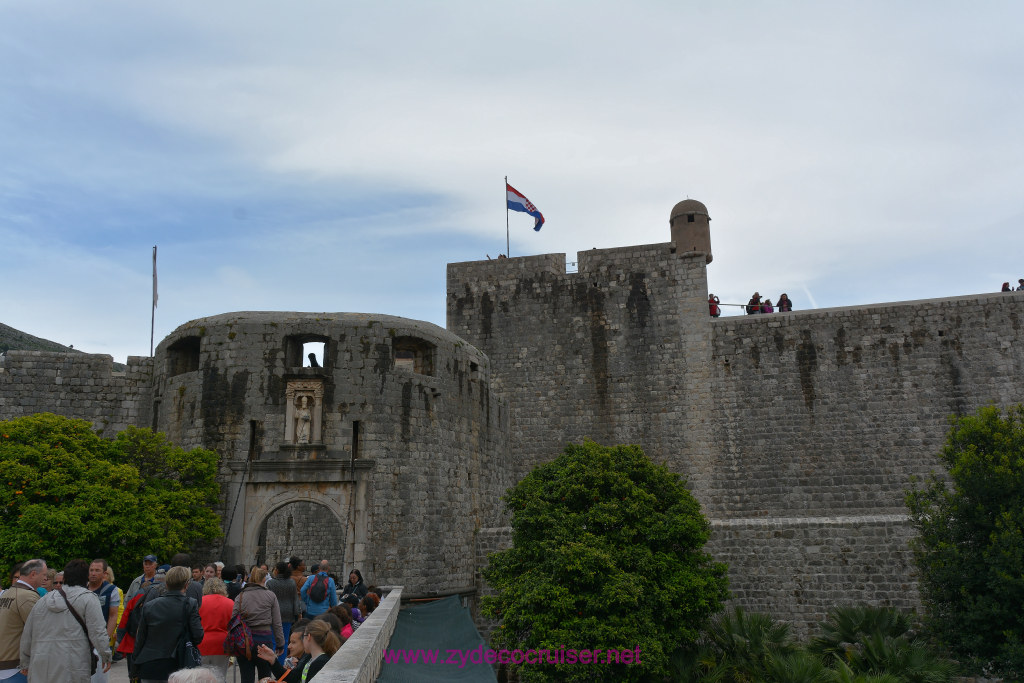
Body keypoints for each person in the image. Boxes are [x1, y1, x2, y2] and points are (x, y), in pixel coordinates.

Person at [20, 558, 111, 683]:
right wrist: (106, 655)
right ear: (86, 577)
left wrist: (25, 662)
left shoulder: (42, 601)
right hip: (73, 664)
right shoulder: (88, 599)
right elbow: (98, 631)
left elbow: (28, 633)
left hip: (41, 665)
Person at [132, 566, 203, 683]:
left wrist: (135, 667)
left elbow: (140, 638)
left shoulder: (150, 606)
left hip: (150, 664)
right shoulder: (190, 604)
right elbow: (198, 635)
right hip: (177, 663)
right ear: (186, 584)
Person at [231, 567, 284, 683]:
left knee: (246, 677)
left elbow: (233, 620)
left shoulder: (240, 596)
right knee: (265, 677)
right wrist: (280, 643)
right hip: (264, 640)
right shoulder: (270, 595)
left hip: (244, 641)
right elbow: (277, 622)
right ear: (264, 578)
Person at [1, 559, 47, 683]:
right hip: (17, 668)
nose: (46, 579)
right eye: (44, 575)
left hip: (6, 666)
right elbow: (42, 631)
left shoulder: (6, 594)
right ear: (33, 574)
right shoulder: (27, 596)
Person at [196, 578, 233, 682]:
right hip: (223, 645)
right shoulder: (229, 603)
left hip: (202, 644)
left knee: (201, 678)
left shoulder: (200, 602)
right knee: (220, 677)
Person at [266, 562, 301, 666]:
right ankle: (280, 664)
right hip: (288, 613)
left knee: (273, 640)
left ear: (277, 570)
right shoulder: (291, 582)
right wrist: (298, 614)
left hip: (274, 614)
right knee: (285, 641)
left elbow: (268, 601)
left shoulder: (270, 583)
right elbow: (295, 599)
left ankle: (271, 663)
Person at [254, 619, 310, 683]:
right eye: (290, 642)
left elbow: (291, 678)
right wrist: (273, 660)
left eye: (293, 642)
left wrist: (273, 660)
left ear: (306, 640)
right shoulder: (305, 659)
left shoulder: (308, 660)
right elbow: (291, 678)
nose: (289, 646)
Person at [87, 559, 120, 644]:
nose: (93, 573)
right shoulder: (81, 588)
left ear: (105, 574)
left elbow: (113, 616)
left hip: (101, 637)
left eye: (97, 570)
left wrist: (106, 638)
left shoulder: (112, 590)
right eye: (91, 570)